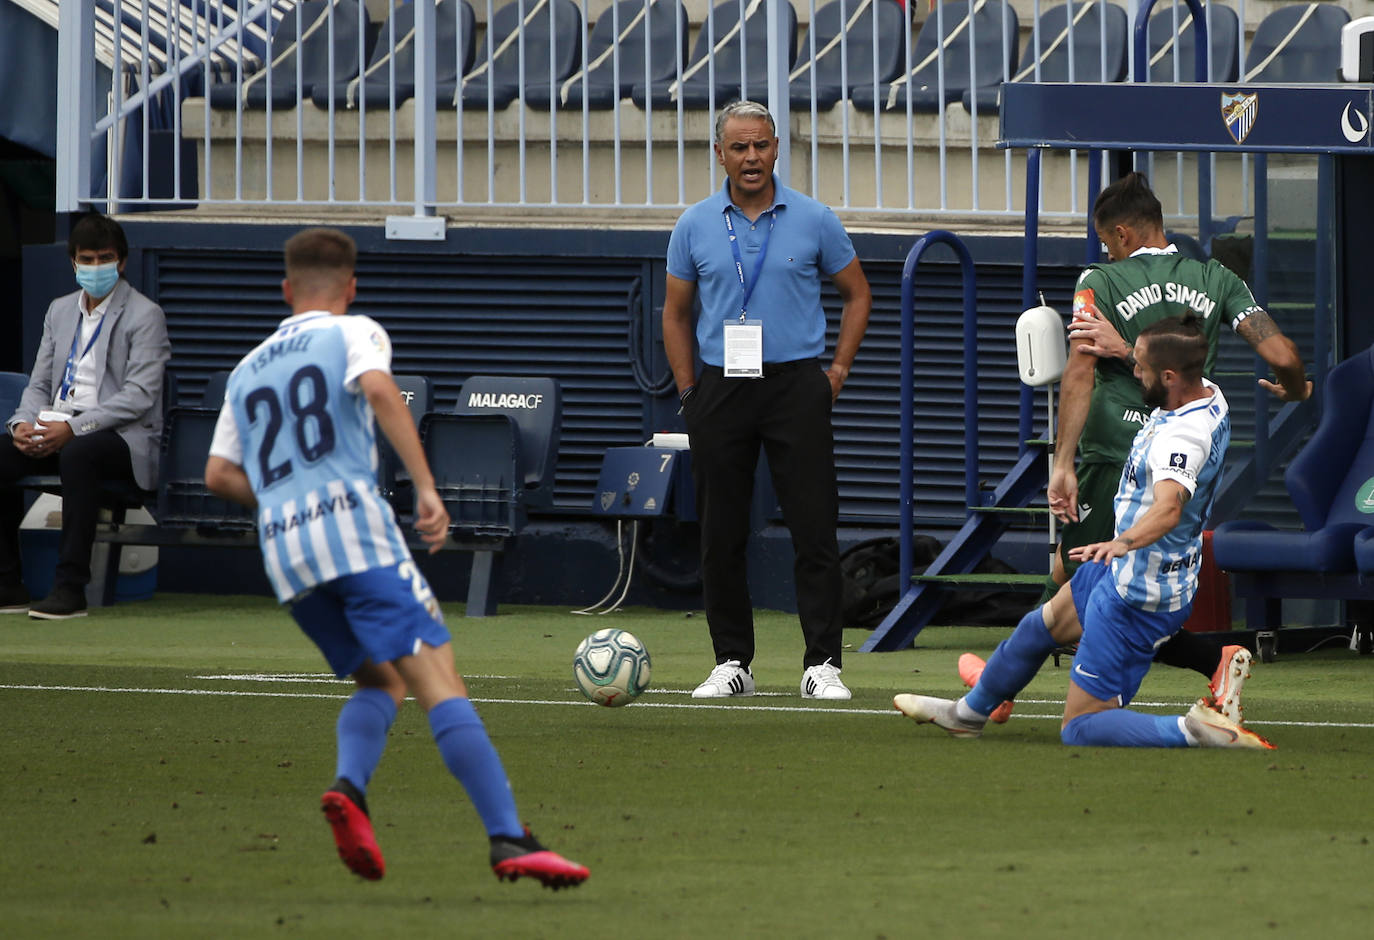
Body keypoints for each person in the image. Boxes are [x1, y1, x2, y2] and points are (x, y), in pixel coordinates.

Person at [204, 228, 588, 889]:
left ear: (286, 290)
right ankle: (507, 837)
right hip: (354, 532)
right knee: (441, 678)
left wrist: (283, 501)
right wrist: (428, 488)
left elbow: (217, 474)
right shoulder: (353, 333)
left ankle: (350, 788)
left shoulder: (248, 368)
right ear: (350, 287)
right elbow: (381, 392)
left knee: (384, 681)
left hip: (289, 554)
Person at [960, 172, 1311, 726]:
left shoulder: (1100, 279)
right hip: (1189, 453)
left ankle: (1028, 690)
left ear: (1121, 235)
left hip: (1120, 451)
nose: (1105, 249)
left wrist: (1063, 462)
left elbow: (1078, 371)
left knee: (1092, 580)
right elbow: (1283, 355)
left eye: (1106, 240)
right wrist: (1295, 388)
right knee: (1079, 574)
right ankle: (1010, 680)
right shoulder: (1217, 276)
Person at [896, 314, 1275, 749]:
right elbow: (1156, 361)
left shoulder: (1182, 438)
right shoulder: (1206, 392)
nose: (1134, 371)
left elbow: (1169, 509)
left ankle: (1192, 730)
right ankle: (968, 714)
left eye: (1142, 367)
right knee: (1041, 625)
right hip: (1127, 568)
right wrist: (1124, 347)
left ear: (1169, 377)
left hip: (1139, 590)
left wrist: (1121, 542)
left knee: (1080, 727)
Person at [661, 100, 872, 701]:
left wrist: (836, 369)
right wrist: (688, 391)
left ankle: (822, 664)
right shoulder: (695, 223)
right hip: (720, 387)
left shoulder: (814, 218)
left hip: (795, 385)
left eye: (761, 146)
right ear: (720, 153)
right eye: (739, 147)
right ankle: (732, 662)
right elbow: (674, 313)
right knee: (720, 531)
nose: (751, 158)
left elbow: (858, 294)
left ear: (776, 148)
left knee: (813, 525)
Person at [0, 213, 170, 620]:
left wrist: (73, 428)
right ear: (73, 262)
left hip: (119, 436)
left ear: (122, 262)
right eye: (87, 259)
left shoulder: (145, 315)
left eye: (105, 258)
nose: (96, 267)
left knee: (80, 454)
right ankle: (8, 584)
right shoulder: (59, 311)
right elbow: (39, 383)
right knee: (2, 452)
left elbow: (139, 397)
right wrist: (22, 424)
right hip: (59, 424)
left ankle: (70, 588)